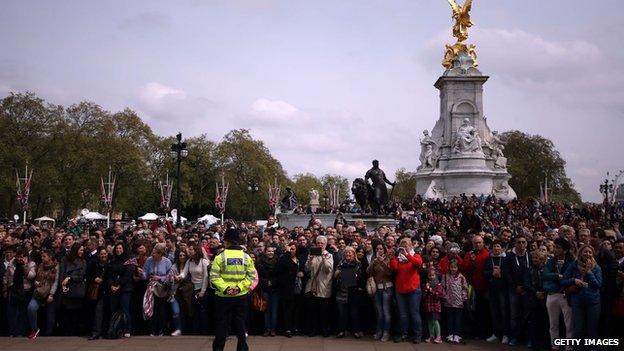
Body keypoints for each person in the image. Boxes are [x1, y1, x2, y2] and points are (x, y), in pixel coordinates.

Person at [209, 227, 258, 351]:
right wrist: (238, 288)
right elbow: (251, 277)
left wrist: (226, 289)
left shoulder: (220, 257)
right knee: (241, 326)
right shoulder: (246, 257)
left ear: (226, 241)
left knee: (222, 326)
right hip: (240, 296)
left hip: (223, 297)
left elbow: (214, 277)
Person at [562, 244, 603, 342]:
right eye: (585, 251)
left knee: (592, 331)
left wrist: (589, 272)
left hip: (593, 303)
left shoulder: (596, 267)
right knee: (578, 330)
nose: (588, 254)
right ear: (580, 253)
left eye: (590, 252)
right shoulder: (574, 265)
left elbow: (598, 284)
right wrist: (574, 280)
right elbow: (563, 281)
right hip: (577, 302)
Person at [389, 236, 423, 344]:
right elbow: (394, 268)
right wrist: (393, 256)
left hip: (413, 289)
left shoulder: (415, 255)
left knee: (414, 313)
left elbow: (418, 263)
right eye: (402, 245)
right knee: (403, 314)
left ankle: (417, 335)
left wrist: (407, 254)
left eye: (406, 245)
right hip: (401, 289)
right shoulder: (399, 258)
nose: (404, 247)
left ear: (410, 246)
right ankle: (404, 334)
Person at [542, 237, 574, 350]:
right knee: (553, 323)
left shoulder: (572, 261)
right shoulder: (551, 261)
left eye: (558, 247)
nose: (555, 249)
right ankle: (555, 345)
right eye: (554, 247)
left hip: (566, 295)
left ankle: (569, 346)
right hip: (552, 294)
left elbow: (569, 277)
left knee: (569, 324)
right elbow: (545, 274)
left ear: (565, 250)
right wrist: (557, 276)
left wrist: (559, 278)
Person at [503, 234, 532, 346]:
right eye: (519, 242)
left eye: (523, 242)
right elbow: (506, 273)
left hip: (528, 289)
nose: (521, 244)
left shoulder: (530, 255)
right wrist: (515, 286)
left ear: (526, 243)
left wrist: (526, 287)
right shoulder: (509, 256)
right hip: (513, 289)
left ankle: (527, 337)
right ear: (515, 243)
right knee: (514, 314)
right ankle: (514, 337)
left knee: (528, 314)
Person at [304, 235, 333, 337]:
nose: (320, 245)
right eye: (318, 243)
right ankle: (313, 330)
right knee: (313, 311)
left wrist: (324, 259)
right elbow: (307, 269)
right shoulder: (312, 254)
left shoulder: (328, 255)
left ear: (325, 245)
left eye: (322, 243)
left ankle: (325, 330)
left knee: (324, 311)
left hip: (323, 287)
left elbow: (328, 269)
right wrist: (311, 259)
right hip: (313, 287)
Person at [177, 243, 209, 335]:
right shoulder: (189, 261)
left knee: (203, 312)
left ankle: (204, 332)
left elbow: (206, 277)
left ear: (196, 251)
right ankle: (196, 332)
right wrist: (179, 276)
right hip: (193, 289)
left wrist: (202, 291)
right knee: (194, 312)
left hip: (203, 289)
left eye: (191, 249)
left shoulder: (204, 262)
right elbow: (184, 273)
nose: (189, 251)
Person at [140, 243, 172, 336]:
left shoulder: (167, 261)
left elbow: (170, 276)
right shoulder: (149, 260)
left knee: (161, 309)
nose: (152, 255)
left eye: (154, 253)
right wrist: (142, 274)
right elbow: (145, 273)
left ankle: (161, 330)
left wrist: (160, 278)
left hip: (162, 289)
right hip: (151, 288)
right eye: (152, 253)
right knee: (151, 308)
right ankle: (152, 330)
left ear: (160, 254)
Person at [3, 247, 36, 337]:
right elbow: (6, 277)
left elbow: (31, 276)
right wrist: (5, 290)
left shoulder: (31, 264)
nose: (20, 258)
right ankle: (12, 332)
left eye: (23, 256)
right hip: (12, 290)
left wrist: (24, 266)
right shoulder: (11, 264)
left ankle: (20, 332)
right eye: (19, 256)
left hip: (25, 291)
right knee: (11, 313)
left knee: (22, 313)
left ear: (26, 257)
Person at [27, 249, 58, 339]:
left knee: (50, 314)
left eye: (44, 256)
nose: (42, 258)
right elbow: (36, 278)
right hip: (39, 292)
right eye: (42, 256)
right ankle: (34, 329)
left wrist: (51, 294)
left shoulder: (56, 266)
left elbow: (55, 282)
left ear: (50, 257)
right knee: (31, 308)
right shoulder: (40, 265)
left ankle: (49, 334)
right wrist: (36, 283)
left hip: (50, 293)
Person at [107, 243, 135, 338]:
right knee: (113, 310)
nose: (118, 250)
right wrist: (111, 285)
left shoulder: (128, 260)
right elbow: (109, 274)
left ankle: (127, 329)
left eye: (120, 248)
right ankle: (115, 329)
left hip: (125, 288)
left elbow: (127, 275)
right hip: (113, 288)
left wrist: (119, 284)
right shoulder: (112, 261)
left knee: (125, 309)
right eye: (117, 248)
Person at [483, 240, 509, 344]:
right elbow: (485, 272)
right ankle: (496, 334)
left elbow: (509, 272)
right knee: (494, 313)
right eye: (494, 246)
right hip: (492, 289)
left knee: (504, 312)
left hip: (503, 289)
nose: (496, 248)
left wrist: (501, 275)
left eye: (498, 246)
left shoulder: (506, 258)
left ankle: (506, 334)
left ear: (502, 248)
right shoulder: (489, 259)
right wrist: (492, 273)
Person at [366, 242, 393, 341]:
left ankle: (386, 332)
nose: (379, 251)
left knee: (386, 312)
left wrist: (382, 262)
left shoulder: (388, 259)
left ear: (384, 250)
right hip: (377, 289)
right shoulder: (375, 260)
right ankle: (379, 331)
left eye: (381, 249)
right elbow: (368, 272)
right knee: (379, 312)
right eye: (377, 249)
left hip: (387, 288)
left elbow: (390, 273)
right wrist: (373, 262)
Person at [334, 246, 363, 338]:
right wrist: (336, 274)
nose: (348, 254)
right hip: (342, 292)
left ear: (353, 254)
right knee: (342, 313)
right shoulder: (340, 263)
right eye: (346, 253)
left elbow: (360, 277)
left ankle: (356, 331)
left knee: (354, 313)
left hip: (353, 292)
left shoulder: (358, 264)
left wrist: (356, 275)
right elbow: (336, 276)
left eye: (350, 253)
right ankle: (341, 331)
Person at [59, 242, 86, 336]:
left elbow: (81, 276)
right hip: (66, 288)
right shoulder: (65, 259)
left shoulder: (83, 261)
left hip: (76, 289)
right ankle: (67, 331)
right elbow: (62, 273)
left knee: (76, 311)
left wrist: (70, 278)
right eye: (81, 250)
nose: (82, 252)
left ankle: (74, 331)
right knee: (66, 311)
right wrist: (63, 285)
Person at [276, 242, 301, 337]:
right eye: (290, 249)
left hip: (298, 287)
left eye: (293, 249)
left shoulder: (299, 259)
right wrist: (287, 253)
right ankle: (287, 329)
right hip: (287, 288)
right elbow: (283, 268)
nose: (292, 251)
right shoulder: (284, 259)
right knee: (287, 309)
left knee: (296, 309)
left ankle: (295, 328)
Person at [442, 259, 468, 344]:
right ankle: (450, 334)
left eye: (455, 267)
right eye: (451, 267)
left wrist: (463, 298)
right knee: (450, 318)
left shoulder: (461, 277)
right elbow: (442, 287)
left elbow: (464, 288)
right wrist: (445, 296)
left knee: (457, 319)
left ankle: (456, 334)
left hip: (459, 302)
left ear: (458, 268)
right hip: (449, 301)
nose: (453, 269)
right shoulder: (445, 276)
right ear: (449, 267)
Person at [85, 247, 108, 340]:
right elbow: (87, 275)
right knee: (98, 312)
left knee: (105, 312)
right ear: (98, 255)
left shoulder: (109, 264)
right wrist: (95, 279)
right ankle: (96, 332)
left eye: (105, 253)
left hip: (108, 291)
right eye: (101, 254)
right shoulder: (93, 264)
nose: (103, 255)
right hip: (97, 292)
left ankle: (105, 331)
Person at [257, 245, 278, 337]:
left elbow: (280, 274)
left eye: (272, 251)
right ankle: (267, 329)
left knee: (274, 310)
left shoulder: (278, 261)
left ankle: (273, 330)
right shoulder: (260, 262)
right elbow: (258, 276)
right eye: (269, 251)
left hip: (275, 288)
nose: (271, 253)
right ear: (265, 252)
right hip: (265, 288)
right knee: (266, 310)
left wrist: (273, 282)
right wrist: (266, 282)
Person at [423, 268, 444, 343]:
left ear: (436, 276)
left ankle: (438, 337)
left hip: (435, 306)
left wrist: (431, 291)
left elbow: (439, 295)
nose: (431, 277)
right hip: (428, 305)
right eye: (430, 275)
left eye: (433, 275)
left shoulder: (438, 284)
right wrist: (426, 290)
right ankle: (431, 336)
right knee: (429, 321)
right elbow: (424, 295)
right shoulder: (427, 284)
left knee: (435, 320)